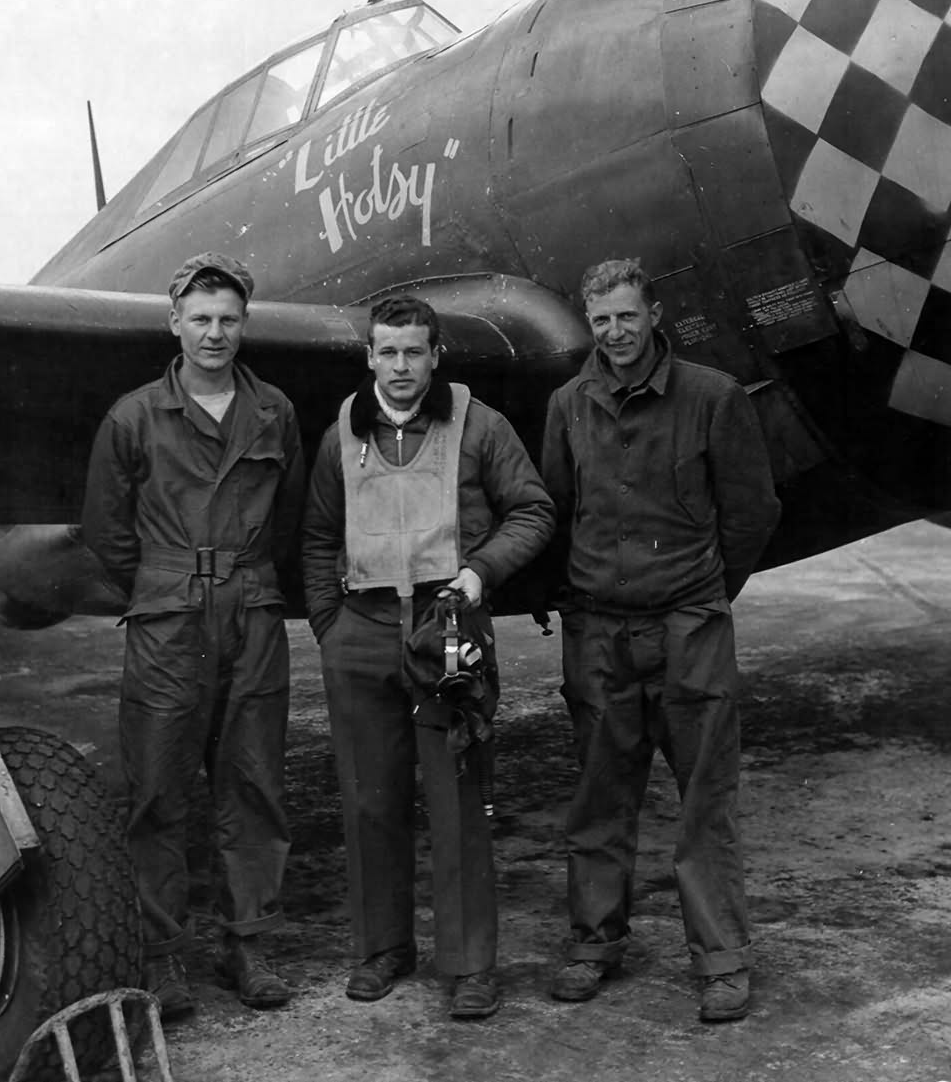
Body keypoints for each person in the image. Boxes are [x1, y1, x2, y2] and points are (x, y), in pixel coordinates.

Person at [540, 258, 780, 1022]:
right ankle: (592, 942)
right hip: (601, 634)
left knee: (705, 799)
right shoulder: (568, 404)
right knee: (599, 796)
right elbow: (560, 503)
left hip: (689, 630)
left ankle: (721, 960)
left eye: (627, 316)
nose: (614, 332)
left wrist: (702, 594)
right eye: (601, 319)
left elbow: (751, 512)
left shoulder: (713, 397)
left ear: (654, 314)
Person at [302, 295, 555, 1020]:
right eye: (388, 351)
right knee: (369, 799)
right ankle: (382, 949)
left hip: (448, 628)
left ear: (436, 354)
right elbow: (319, 536)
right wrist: (332, 627)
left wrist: (480, 571)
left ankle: (470, 965)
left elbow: (533, 508)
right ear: (370, 357)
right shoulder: (342, 433)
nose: (402, 365)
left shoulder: (480, 424)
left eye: (416, 351)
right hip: (362, 629)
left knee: (459, 799)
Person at [82, 252, 304, 1018]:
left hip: (252, 610)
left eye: (229, 319)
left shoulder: (273, 410)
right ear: (175, 322)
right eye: (201, 319)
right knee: (157, 786)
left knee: (254, 783)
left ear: (246, 325)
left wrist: (244, 584)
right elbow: (107, 533)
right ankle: (164, 953)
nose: (215, 333)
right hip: (169, 619)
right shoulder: (134, 416)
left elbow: (290, 515)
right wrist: (162, 587)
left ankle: (250, 942)